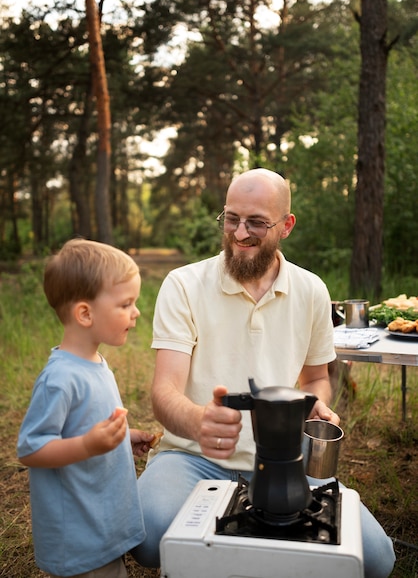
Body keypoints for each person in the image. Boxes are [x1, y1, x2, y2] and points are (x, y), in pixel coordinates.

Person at [131, 169, 395, 578]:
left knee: (378, 560)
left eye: (256, 222)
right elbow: (164, 391)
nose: (239, 233)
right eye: (231, 218)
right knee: (147, 541)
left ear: (286, 226)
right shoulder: (182, 284)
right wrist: (199, 422)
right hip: (191, 458)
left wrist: (316, 406)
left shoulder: (312, 290)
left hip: (283, 462)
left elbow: (314, 380)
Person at [17, 238, 156, 578]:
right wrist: (88, 446)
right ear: (85, 313)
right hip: (79, 537)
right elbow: (31, 449)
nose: (136, 312)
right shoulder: (60, 379)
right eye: (126, 304)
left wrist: (122, 438)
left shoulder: (94, 362)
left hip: (100, 525)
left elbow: (85, 425)